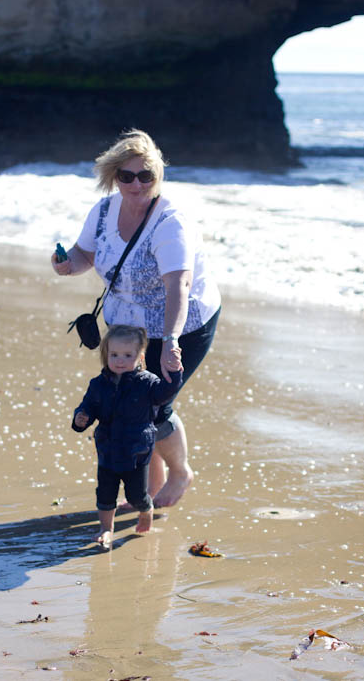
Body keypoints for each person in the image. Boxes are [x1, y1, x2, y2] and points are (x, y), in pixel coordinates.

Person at [52, 129, 221, 508]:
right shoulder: (103, 212)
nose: (136, 184)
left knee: (156, 404)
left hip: (182, 322)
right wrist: (66, 266)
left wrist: (171, 342)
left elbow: (178, 286)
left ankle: (180, 473)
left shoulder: (169, 223)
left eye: (146, 176)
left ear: (157, 177)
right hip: (129, 323)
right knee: (132, 399)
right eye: (126, 176)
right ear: (114, 176)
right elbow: (84, 255)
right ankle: (150, 483)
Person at [71, 324, 182, 546]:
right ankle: (106, 528)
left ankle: (146, 509)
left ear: (140, 357)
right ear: (106, 354)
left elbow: (165, 393)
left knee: (136, 495)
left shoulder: (147, 383)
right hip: (107, 449)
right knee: (104, 493)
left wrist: (175, 371)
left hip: (136, 452)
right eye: (114, 355)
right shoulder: (98, 384)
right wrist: (80, 418)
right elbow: (88, 407)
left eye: (127, 355)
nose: (120, 360)